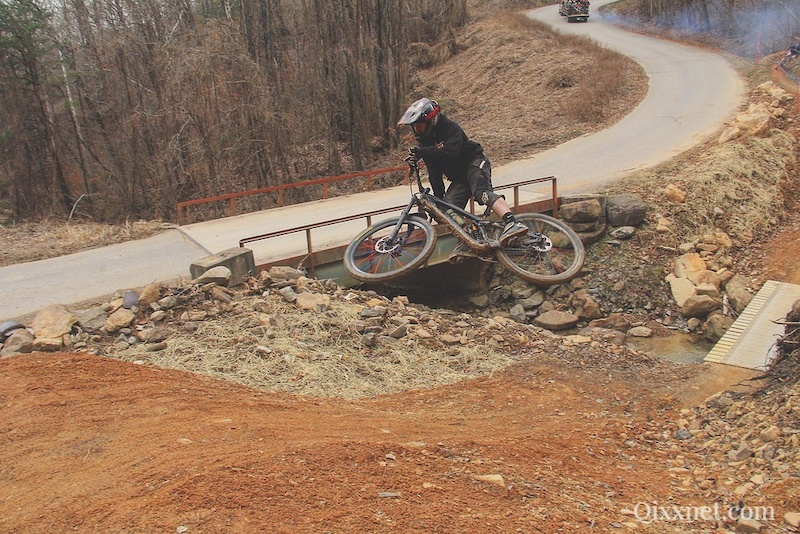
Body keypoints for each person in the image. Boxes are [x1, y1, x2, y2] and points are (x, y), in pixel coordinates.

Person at [397, 97, 527, 262]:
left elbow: (451, 152)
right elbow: (434, 174)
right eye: (414, 127)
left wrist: (424, 152)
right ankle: (469, 240)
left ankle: (512, 222)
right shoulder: (427, 144)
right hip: (459, 178)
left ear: (431, 120)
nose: (417, 129)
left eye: (419, 125)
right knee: (446, 210)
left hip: (474, 162)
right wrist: (439, 200)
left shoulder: (450, 128)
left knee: (481, 193)